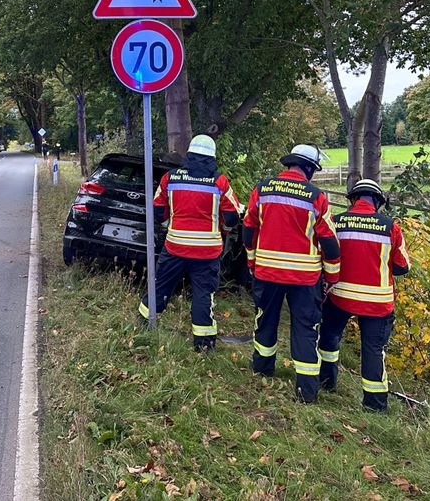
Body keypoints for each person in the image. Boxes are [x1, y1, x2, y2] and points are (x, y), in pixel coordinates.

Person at [243, 144, 341, 403]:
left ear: (290, 164)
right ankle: (307, 391)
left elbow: (248, 228)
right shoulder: (316, 196)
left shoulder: (262, 189)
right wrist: (331, 277)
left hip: (267, 271)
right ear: (308, 169)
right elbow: (329, 241)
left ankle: (262, 370)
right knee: (306, 328)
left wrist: (252, 262)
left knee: (265, 319)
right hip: (304, 277)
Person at [136, 135, 240, 350]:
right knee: (203, 293)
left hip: (175, 246)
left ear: (189, 154)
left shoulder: (170, 178)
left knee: (161, 285)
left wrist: (169, 225)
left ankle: (144, 325)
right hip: (207, 252)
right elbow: (232, 216)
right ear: (212, 157)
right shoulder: (219, 181)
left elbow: (157, 210)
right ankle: (203, 344)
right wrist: (223, 229)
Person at [319, 179, 410, 413]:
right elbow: (403, 266)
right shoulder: (390, 226)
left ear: (353, 200)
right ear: (378, 202)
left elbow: (325, 254)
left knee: (329, 339)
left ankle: (326, 383)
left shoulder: (337, 222)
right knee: (373, 350)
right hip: (377, 303)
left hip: (340, 296)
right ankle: (375, 404)